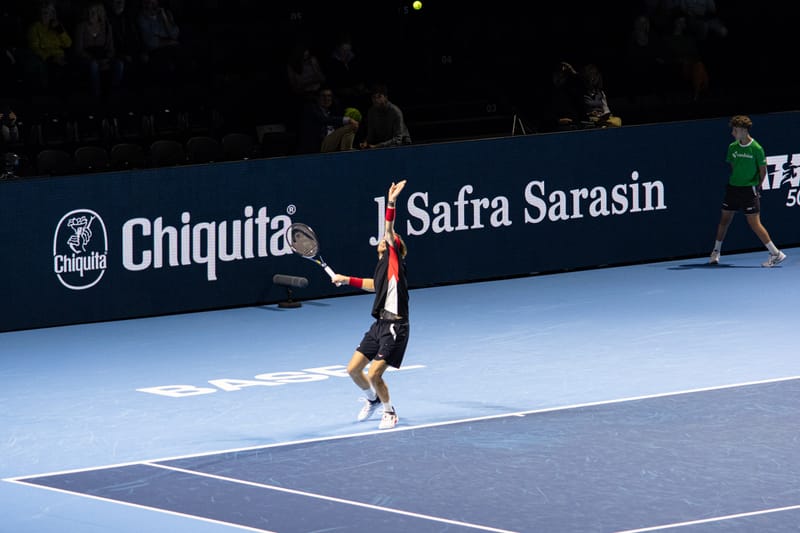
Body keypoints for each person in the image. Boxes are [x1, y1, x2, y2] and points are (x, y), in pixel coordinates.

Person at [332, 180, 410, 430]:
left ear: (395, 247)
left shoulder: (394, 260)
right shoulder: (382, 269)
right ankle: (373, 399)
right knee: (353, 370)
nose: (386, 238)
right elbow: (373, 285)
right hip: (379, 325)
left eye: (391, 239)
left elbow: (389, 229)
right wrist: (346, 279)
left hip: (396, 327)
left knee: (375, 373)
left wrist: (391, 202)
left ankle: (389, 411)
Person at [709, 115, 786, 268]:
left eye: (735, 130)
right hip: (733, 188)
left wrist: (756, 187)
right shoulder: (732, 147)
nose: (733, 133)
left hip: (749, 190)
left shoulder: (757, 148)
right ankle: (716, 251)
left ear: (744, 131)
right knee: (724, 220)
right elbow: (734, 166)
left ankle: (776, 253)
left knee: (754, 223)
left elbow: (762, 171)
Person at [73, 1, 124, 97]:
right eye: (89, 12)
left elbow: (111, 48)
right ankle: (96, 94)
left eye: (94, 12)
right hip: (87, 58)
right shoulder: (81, 27)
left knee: (119, 64)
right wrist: (93, 59)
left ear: (100, 13)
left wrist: (107, 59)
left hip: (103, 56)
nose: (90, 15)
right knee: (94, 65)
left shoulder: (106, 26)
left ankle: (113, 92)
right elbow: (78, 50)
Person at [359, 84, 412, 149]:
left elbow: (398, 139)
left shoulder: (395, 112)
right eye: (373, 97)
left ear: (385, 97)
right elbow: (371, 134)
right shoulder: (371, 112)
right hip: (383, 144)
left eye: (379, 97)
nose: (376, 100)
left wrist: (377, 146)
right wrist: (366, 142)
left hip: (402, 145)